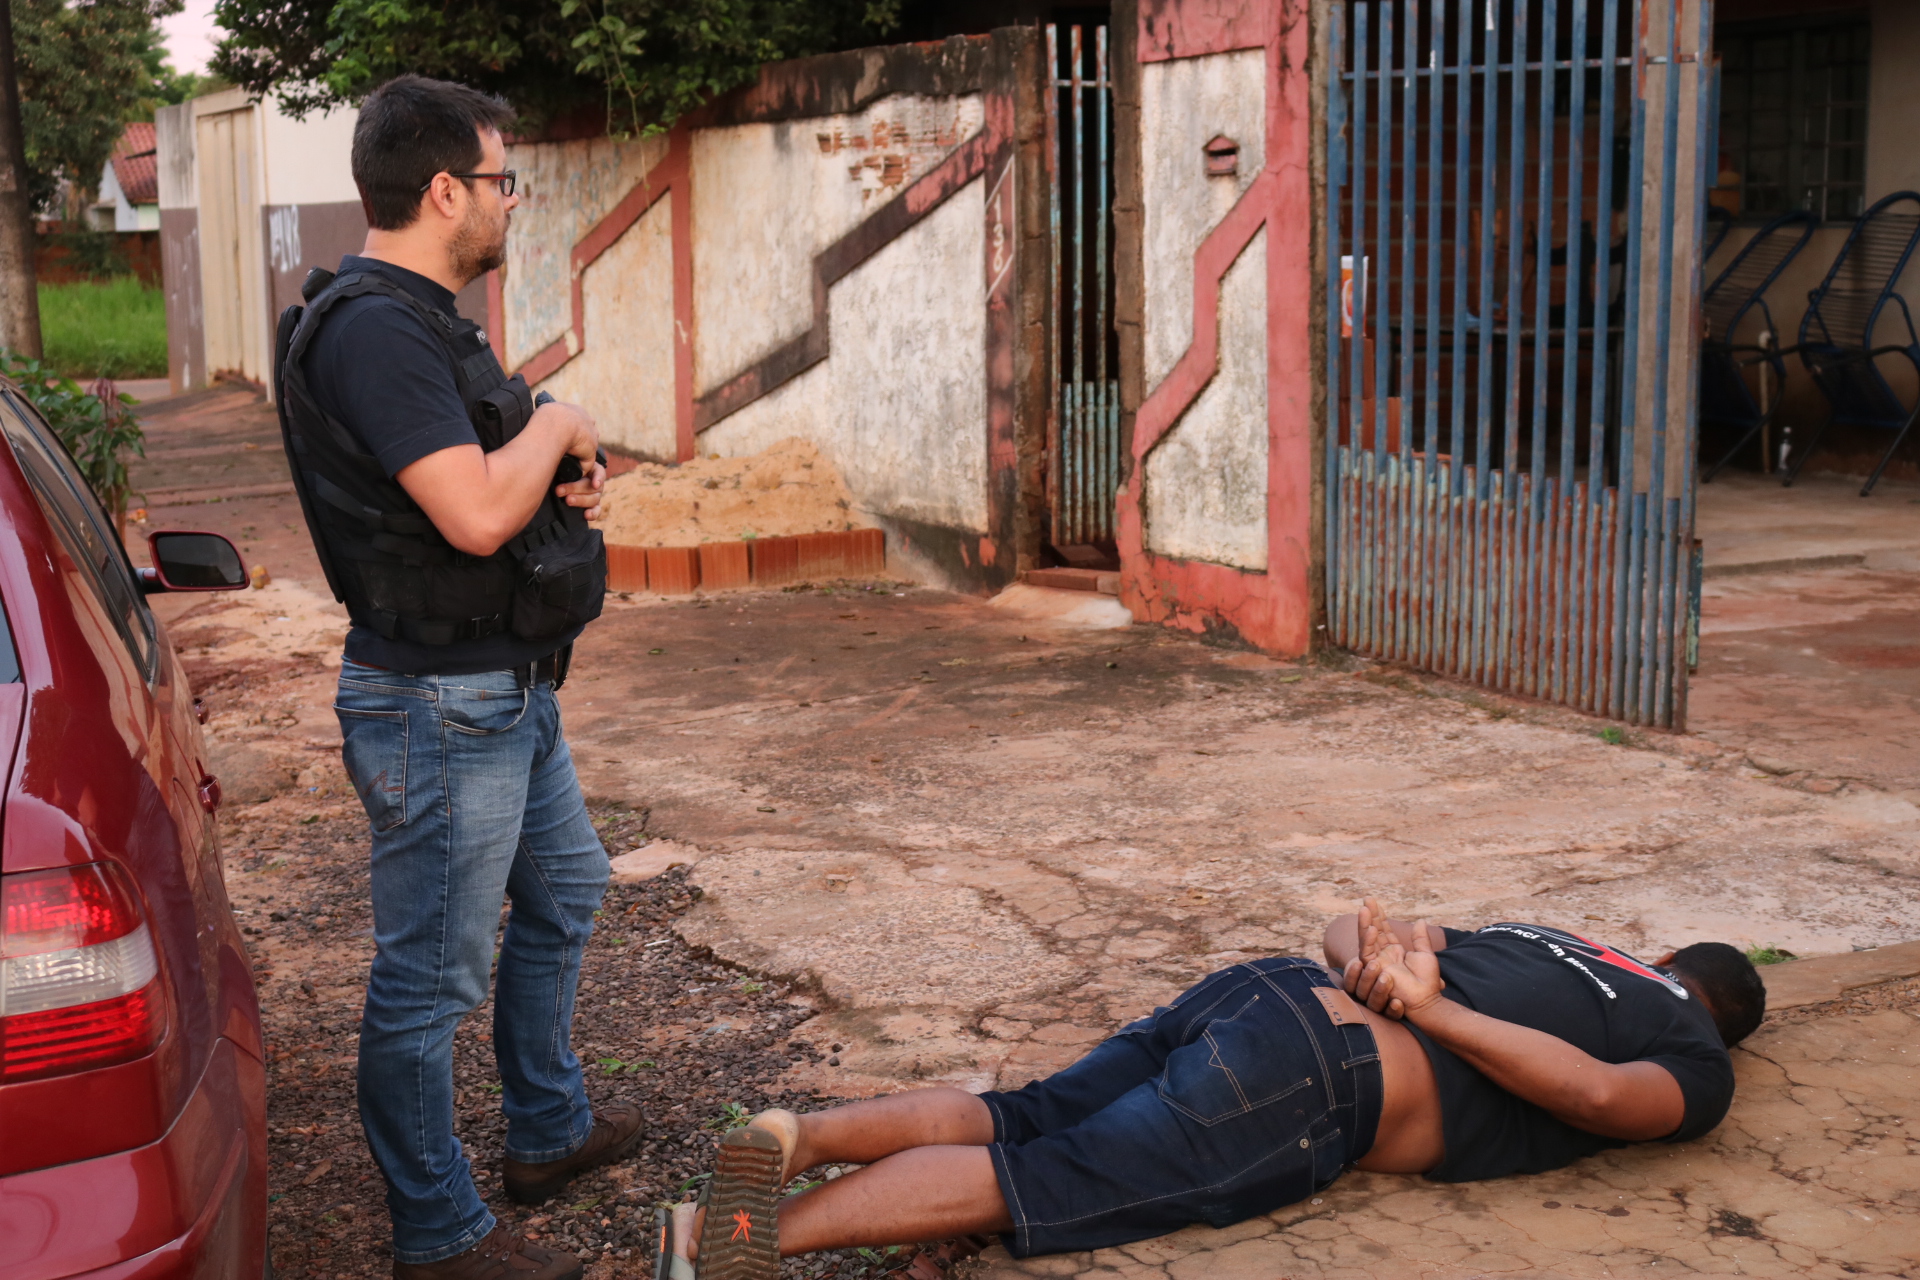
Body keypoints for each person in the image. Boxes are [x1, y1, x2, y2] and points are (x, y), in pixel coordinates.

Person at [274, 74, 628, 1280]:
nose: (509, 199)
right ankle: (438, 1234)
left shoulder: (419, 319)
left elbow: (485, 479)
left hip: (503, 685)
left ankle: (549, 1126)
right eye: (499, 179)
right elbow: (473, 514)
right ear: (442, 190)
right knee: (431, 977)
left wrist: (560, 469)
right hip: (438, 704)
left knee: (569, 887)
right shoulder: (376, 330)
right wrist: (558, 421)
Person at [674, 901, 1765, 1280]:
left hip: (1262, 991)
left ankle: (797, 1135)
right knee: (1040, 1174)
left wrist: (1374, 962)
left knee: (1026, 1112)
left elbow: (1349, 930)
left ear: (1662, 955)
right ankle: (729, 1244)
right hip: (1310, 1078)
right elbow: (1601, 1100)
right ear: (1720, 1017)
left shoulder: (1546, 937)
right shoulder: (1697, 1052)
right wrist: (1426, 1012)